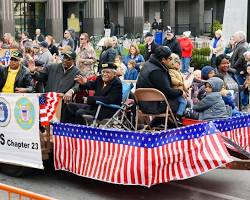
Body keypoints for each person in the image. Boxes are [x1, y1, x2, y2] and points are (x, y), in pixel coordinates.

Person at [136, 46, 183, 127]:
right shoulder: (157, 71)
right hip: (152, 105)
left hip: (143, 103)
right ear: (163, 60)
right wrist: (181, 92)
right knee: (178, 101)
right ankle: (173, 127)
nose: (171, 60)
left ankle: (164, 126)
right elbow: (168, 92)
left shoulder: (148, 64)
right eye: (169, 58)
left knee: (174, 102)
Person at [166, 53, 188, 123]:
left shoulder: (178, 72)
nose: (178, 64)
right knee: (183, 102)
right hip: (176, 90)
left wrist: (185, 89)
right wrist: (179, 83)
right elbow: (172, 80)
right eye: (176, 63)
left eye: (179, 63)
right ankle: (178, 116)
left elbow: (182, 82)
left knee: (187, 102)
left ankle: (184, 115)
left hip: (180, 90)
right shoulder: (171, 71)